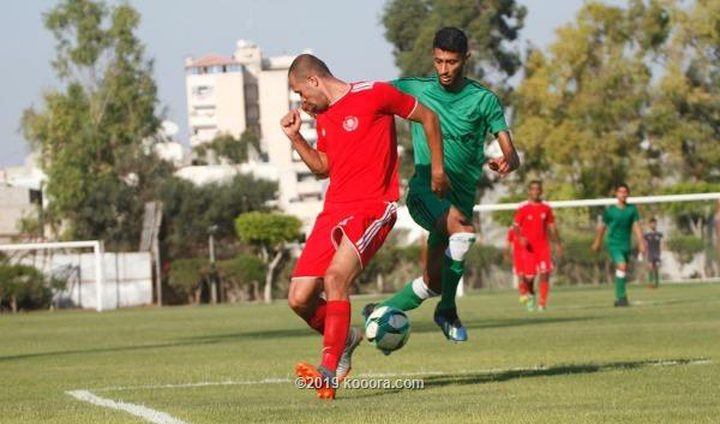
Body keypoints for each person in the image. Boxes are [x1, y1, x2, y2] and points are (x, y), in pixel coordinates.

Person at [281, 54, 447, 399]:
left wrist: (436, 169)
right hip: (333, 210)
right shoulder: (323, 117)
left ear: (313, 80)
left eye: (300, 92)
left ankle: (329, 369)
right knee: (299, 299)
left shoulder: (375, 94)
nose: (301, 101)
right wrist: (297, 139)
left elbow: (428, 117)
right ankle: (346, 339)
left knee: (335, 278)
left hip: (373, 207)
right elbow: (323, 166)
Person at [363, 27, 520, 342]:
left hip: (459, 203)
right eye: (438, 61)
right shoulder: (415, 89)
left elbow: (511, 153)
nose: (444, 70)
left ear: (466, 59)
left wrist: (507, 160)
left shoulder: (484, 100)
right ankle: (447, 310)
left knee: (432, 282)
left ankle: (379, 311)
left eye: (451, 62)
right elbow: (369, 95)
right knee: (462, 233)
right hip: (425, 194)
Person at [592, 183, 646, 306]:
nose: (623, 194)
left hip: (626, 244)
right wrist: (597, 242)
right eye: (620, 192)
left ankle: (621, 297)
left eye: (625, 192)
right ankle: (621, 298)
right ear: (616, 194)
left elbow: (636, 226)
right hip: (613, 243)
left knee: (622, 269)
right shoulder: (610, 211)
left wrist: (641, 243)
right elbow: (602, 227)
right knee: (621, 265)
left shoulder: (632, 210)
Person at [512, 180, 563, 311]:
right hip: (529, 249)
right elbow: (516, 226)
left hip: (543, 247)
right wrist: (520, 237)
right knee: (529, 278)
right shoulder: (523, 208)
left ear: (541, 191)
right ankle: (531, 295)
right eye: (533, 189)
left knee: (545, 274)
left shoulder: (546, 208)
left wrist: (557, 243)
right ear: (529, 191)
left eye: (537, 189)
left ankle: (542, 304)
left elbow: (552, 226)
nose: (535, 191)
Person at [643, 218, 663, 288]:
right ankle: (650, 283)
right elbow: (645, 244)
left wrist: (661, 253)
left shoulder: (659, 234)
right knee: (650, 267)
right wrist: (644, 253)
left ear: (656, 224)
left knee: (656, 268)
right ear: (649, 225)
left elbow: (661, 244)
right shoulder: (647, 235)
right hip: (650, 253)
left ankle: (656, 283)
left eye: (654, 223)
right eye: (652, 223)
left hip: (657, 253)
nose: (653, 225)